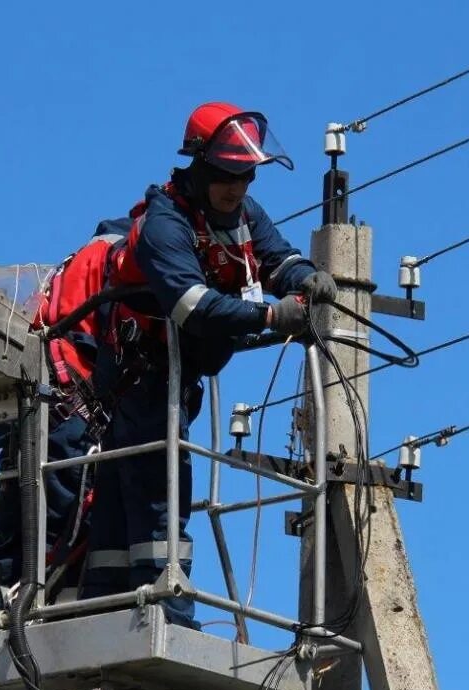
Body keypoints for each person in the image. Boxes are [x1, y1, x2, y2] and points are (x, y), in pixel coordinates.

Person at [78, 102, 337, 628]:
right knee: (159, 490)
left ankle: (98, 607)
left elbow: (276, 257)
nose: (236, 187)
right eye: (225, 174)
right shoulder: (163, 225)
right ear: (197, 166)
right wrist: (270, 313)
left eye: (245, 175)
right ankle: (166, 614)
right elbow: (192, 306)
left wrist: (305, 277)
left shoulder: (244, 215)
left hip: (174, 380)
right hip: (138, 375)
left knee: (127, 491)